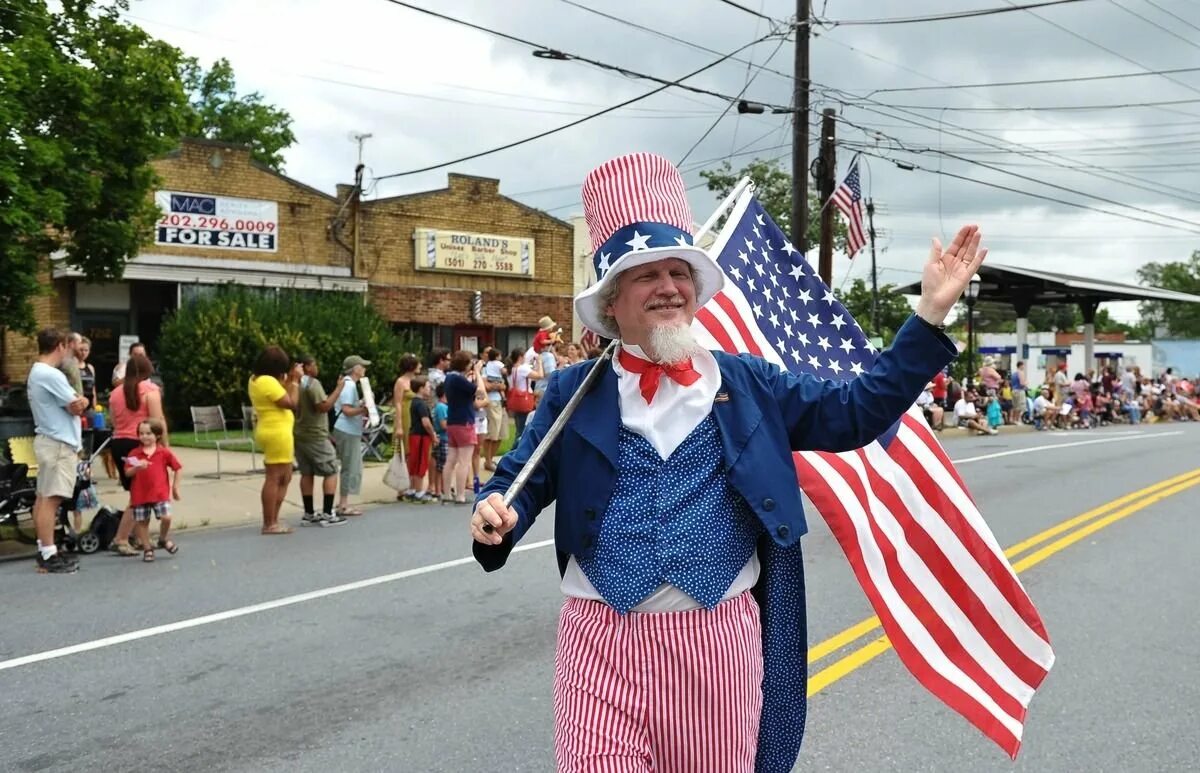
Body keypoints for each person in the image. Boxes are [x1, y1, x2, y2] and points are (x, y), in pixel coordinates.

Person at [469, 153, 985, 771]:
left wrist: (928, 314)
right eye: (645, 275)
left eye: (677, 271)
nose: (667, 286)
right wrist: (498, 514)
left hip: (717, 644)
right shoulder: (572, 392)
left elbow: (857, 411)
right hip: (598, 640)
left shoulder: (748, 384)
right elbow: (519, 484)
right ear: (612, 304)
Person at [26, 328, 89, 574]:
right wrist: (82, 402)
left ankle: (44, 547)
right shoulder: (51, 374)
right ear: (60, 346)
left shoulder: (36, 372)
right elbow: (76, 406)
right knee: (51, 500)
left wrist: (78, 402)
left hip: (47, 439)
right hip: (59, 444)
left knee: (43, 497)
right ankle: (49, 554)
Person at [107, 354, 168, 556]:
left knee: (136, 491)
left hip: (119, 444)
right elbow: (157, 422)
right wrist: (164, 448)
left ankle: (137, 536)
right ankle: (121, 538)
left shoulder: (115, 393)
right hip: (140, 445)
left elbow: (114, 422)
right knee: (139, 497)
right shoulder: (150, 391)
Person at [248, 346, 302, 535]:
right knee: (274, 477)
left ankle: (274, 519)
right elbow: (290, 403)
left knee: (285, 476)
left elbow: (281, 395)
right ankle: (269, 523)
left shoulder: (257, 379)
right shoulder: (266, 381)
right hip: (276, 432)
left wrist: (288, 382)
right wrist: (294, 381)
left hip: (275, 431)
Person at [294, 356, 347, 528]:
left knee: (306, 473)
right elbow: (323, 406)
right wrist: (338, 389)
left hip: (299, 433)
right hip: (316, 434)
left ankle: (308, 513)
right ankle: (327, 513)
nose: (317, 367)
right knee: (331, 470)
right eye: (314, 364)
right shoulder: (312, 384)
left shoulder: (294, 384)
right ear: (307, 366)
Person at [123, 419, 182, 562]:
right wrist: (137, 467)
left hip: (160, 493)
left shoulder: (163, 452)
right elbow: (127, 473)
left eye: (148, 433)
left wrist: (175, 487)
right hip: (140, 494)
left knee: (166, 517)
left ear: (157, 435)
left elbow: (177, 467)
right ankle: (147, 548)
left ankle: (162, 539)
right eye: (141, 433)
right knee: (142, 522)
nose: (144, 436)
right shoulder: (134, 453)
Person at [443, 351, 486, 504]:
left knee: (451, 459)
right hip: (465, 422)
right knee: (464, 461)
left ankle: (447, 493)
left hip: (453, 421)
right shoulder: (458, 379)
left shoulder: (449, 377)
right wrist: (478, 373)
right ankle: (460, 495)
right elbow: (480, 391)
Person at [332, 355, 371, 516]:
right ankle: (343, 504)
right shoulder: (349, 386)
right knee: (350, 466)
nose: (364, 369)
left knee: (350, 466)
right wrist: (364, 409)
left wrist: (361, 404)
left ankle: (343, 502)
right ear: (355, 368)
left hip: (347, 429)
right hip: (347, 429)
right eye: (362, 366)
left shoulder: (348, 384)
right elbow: (347, 410)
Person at [392, 353, 421, 500]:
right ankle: (402, 487)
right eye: (418, 364)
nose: (420, 366)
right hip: (404, 416)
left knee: (414, 453)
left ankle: (411, 485)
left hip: (414, 417)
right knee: (405, 453)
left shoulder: (416, 381)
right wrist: (398, 425)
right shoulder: (400, 382)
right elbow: (397, 402)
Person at [405, 377, 438, 503]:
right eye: (428, 387)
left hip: (414, 435)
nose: (429, 390)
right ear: (421, 388)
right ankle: (419, 492)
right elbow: (426, 422)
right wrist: (433, 435)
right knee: (421, 462)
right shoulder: (421, 404)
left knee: (413, 462)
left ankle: (412, 489)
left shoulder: (414, 402)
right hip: (421, 436)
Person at [480, 347, 507, 471]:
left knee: (501, 434)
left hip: (501, 403)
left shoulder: (495, 369)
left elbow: (504, 385)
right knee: (492, 433)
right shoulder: (484, 369)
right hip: (492, 402)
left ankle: (491, 459)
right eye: (486, 352)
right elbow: (486, 386)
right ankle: (488, 461)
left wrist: (499, 386)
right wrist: (498, 386)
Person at [430, 383, 450, 499]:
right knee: (442, 466)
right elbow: (443, 424)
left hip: (444, 439)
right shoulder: (442, 407)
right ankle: (439, 489)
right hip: (443, 439)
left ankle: (441, 488)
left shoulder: (442, 406)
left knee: (440, 465)